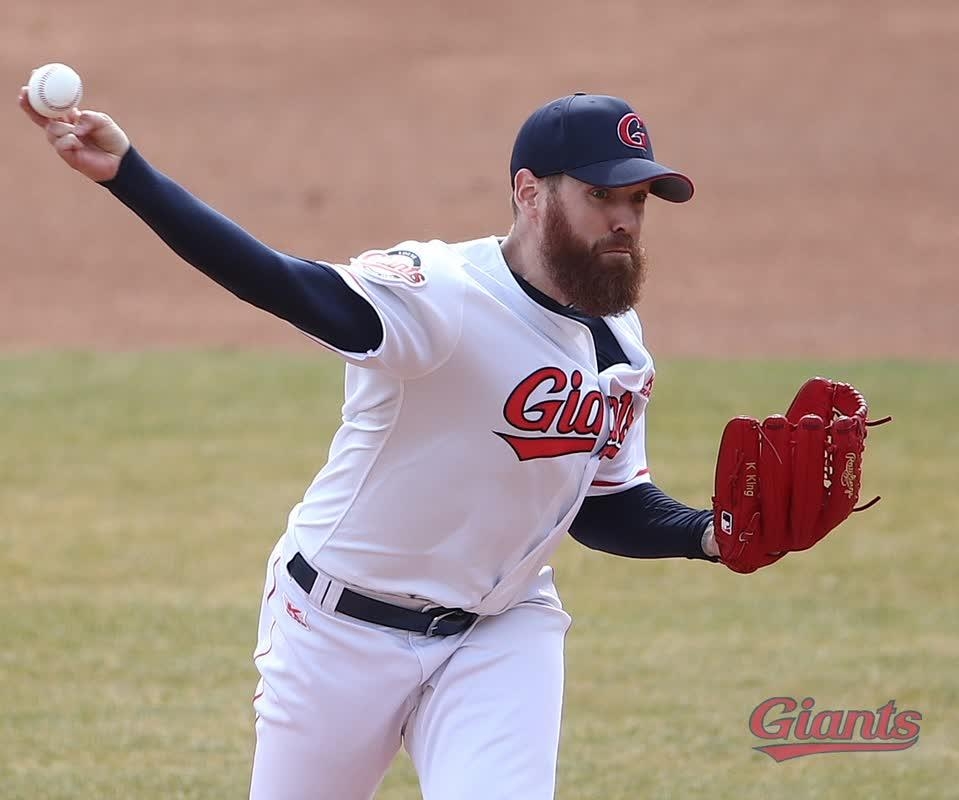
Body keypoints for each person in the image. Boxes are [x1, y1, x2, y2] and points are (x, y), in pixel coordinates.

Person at [17, 89, 821, 799]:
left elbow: (602, 504)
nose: (624, 219)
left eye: (638, 200)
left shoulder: (620, 341)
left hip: (499, 630)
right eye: (601, 194)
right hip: (335, 630)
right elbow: (279, 281)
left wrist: (708, 534)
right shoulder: (439, 296)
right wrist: (130, 176)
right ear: (529, 193)